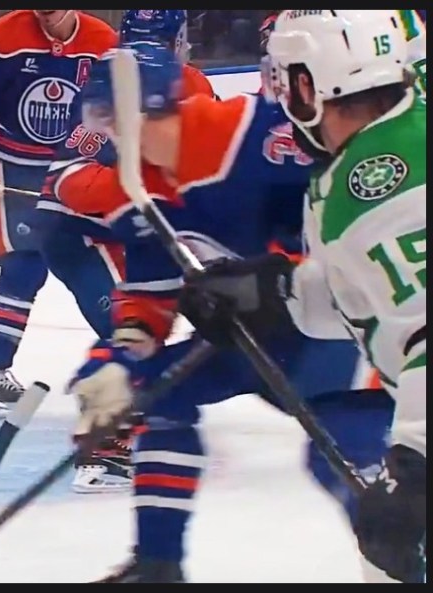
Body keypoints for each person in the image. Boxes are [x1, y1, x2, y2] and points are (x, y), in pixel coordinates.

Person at [67, 39, 395, 582]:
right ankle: (157, 567)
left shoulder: (258, 134)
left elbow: (345, 219)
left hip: (338, 337)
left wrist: (276, 279)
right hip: (247, 342)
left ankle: (407, 563)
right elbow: (149, 300)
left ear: (144, 108)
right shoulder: (139, 189)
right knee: (159, 394)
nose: (108, 135)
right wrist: (118, 361)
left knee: (345, 454)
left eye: (109, 118)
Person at [175, 10, 425, 583]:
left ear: (310, 84)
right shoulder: (388, 142)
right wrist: (272, 294)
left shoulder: (384, 189)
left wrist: (416, 471)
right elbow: (375, 298)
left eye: (285, 76)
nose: (280, 93)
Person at [35, 10, 215, 492]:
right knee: (130, 335)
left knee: (138, 331)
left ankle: (123, 427)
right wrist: (139, 199)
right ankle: (105, 452)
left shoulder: (106, 73)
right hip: (87, 233)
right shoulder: (180, 80)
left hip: (85, 233)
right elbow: (74, 181)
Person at [0, 10, 118, 419]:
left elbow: (113, 112)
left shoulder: (102, 41)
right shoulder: (4, 37)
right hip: (11, 165)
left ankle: (130, 360)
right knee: (24, 266)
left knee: (84, 261)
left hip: (71, 169)